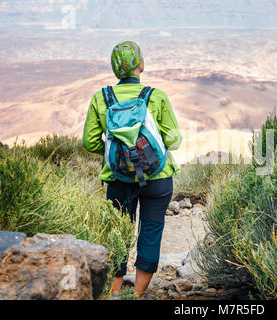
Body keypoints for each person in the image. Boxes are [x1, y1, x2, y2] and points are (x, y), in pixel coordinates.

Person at [82, 41, 182, 299]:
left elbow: (90, 142)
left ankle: (114, 293)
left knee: (118, 233)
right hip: (157, 179)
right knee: (151, 231)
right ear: (141, 64)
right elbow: (173, 140)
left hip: (118, 179)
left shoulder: (100, 98)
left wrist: (118, 155)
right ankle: (137, 295)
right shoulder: (156, 96)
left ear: (116, 69)